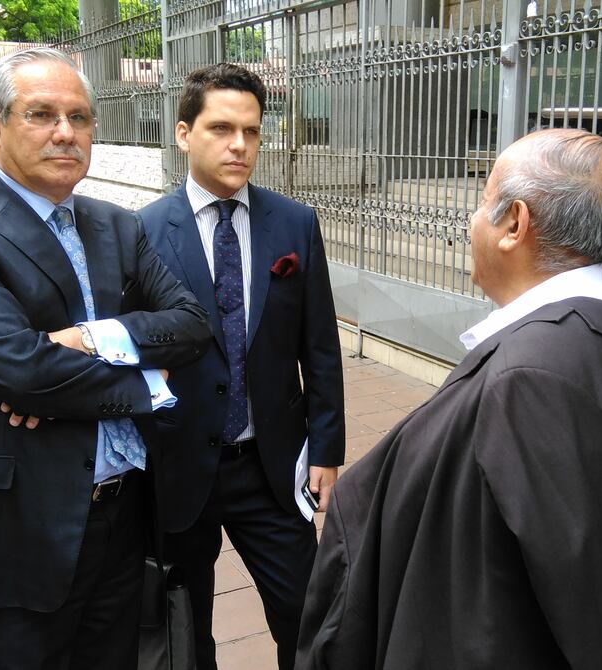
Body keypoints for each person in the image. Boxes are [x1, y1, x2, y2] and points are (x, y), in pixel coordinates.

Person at [296, 128, 602, 669]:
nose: (471, 220)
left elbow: (575, 582)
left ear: (515, 224)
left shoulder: (534, 377)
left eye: (481, 202)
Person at [0, 46, 210, 669]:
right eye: (41, 114)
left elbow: (193, 325)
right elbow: (26, 370)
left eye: (80, 117)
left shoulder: (118, 225)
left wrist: (90, 338)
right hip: (17, 524)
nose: (65, 133)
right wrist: (149, 381)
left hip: (123, 512)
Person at [139, 63, 345, 670]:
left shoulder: (295, 223)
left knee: (308, 617)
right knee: (185, 626)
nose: (240, 145)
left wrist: (326, 449)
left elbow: (320, 346)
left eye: (252, 131)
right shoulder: (144, 232)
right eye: (222, 128)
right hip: (180, 464)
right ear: (184, 133)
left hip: (270, 464)